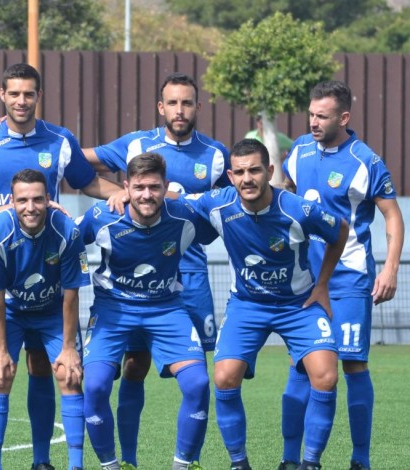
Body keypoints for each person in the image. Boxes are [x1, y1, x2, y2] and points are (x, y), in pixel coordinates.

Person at [0, 63, 122, 470]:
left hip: (46, 267)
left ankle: (42, 460)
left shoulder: (60, 140)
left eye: (29, 94)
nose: (21, 101)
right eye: (14, 93)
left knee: (43, 365)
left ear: (38, 96)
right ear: (2, 96)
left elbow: (87, 182)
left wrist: (123, 194)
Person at [83, 72, 230, 468]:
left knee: (200, 378)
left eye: (187, 102)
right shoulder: (134, 147)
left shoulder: (215, 156)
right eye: (173, 103)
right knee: (129, 368)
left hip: (182, 284)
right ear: (161, 107)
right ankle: (123, 461)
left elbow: (236, 200)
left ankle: (187, 461)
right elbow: (75, 165)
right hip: (120, 298)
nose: (180, 110)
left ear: (198, 106)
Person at [186, 138, 348, 470]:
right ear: (230, 176)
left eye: (255, 170)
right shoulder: (217, 204)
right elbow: (171, 201)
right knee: (224, 377)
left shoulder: (298, 209)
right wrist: (125, 194)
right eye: (240, 172)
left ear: (269, 171)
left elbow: (340, 230)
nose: (247, 179)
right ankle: (239, 464)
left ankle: (310, 463)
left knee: (326, 376)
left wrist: (322, 286)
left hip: (299, 305)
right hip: (247, 305)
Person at [279, 80, 405, 470]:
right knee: (301, 364)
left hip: (349, 279)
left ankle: (360, 460)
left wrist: (390, 268)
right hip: (305, 280)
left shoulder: (366, 161)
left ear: (344, 117)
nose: (313, 122)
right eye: (311, 114)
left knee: (352, 365)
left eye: (322, 116)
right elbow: (285, 193)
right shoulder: (299, 150)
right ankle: (290, 459)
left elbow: (392, 215)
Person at [78, 153, 216, 470]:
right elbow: (66, 240)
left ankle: (182, 465)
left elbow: (228, 218)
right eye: (139, 187)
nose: (146, 195)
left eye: (154, 187)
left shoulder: (184, 215)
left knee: (198, 383)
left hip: (165, 308)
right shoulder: (103, 215)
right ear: (126, 187)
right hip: (113, 309)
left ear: (166, 187)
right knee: (95, 386)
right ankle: (115, 465)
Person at [0, 169, 90, 470]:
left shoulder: (67, 231)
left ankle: (70, 465)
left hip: (52, 310)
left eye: (38, 199)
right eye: (23, 200)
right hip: (11, 310)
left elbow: (71, 295)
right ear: (12, 202)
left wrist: (69, 348)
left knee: (69, 373)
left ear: (48, 199)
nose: (31, 207)